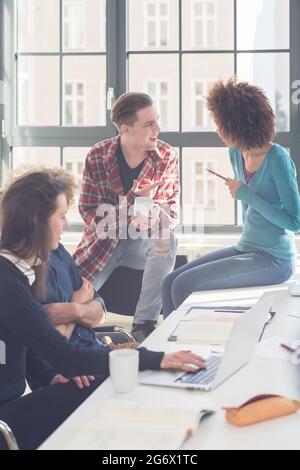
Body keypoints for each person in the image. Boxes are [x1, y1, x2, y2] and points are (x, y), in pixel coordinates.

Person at [0, 170, 205, 449]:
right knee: (106, 394)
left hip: (11, 406)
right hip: (4, 423)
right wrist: (156, 359)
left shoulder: (25, 268)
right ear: (37, 221)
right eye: (60, 216)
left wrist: (51, 375)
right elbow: (59, 351)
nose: (65, 224)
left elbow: (24, 346)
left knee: (106, 392)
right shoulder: (7, 280)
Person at [162, 77, 300, 317]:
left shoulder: (278, 160)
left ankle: (182, 348)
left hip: (275, 259)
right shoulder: (236, 153)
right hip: (246, 247)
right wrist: (244, 196)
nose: (217, 129)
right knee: (169, 282)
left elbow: (295, 222)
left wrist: (246, 194)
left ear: (237, 124)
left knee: (183, 286)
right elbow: (251, 212)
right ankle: (165, 353)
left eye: (219, 123)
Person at [73, 92, 179, 342]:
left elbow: (172, 211)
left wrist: (153, 216)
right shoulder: (98, 156)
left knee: (167, 237)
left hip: (141, 245)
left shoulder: (166, 156)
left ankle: (144, 323)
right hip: (101, 244)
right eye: (148, 124)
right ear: (126, 129)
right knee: (71, 297)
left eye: (157, 120)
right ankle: (79, 337)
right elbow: (88, 210)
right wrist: (130, 211)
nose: (158, 129)